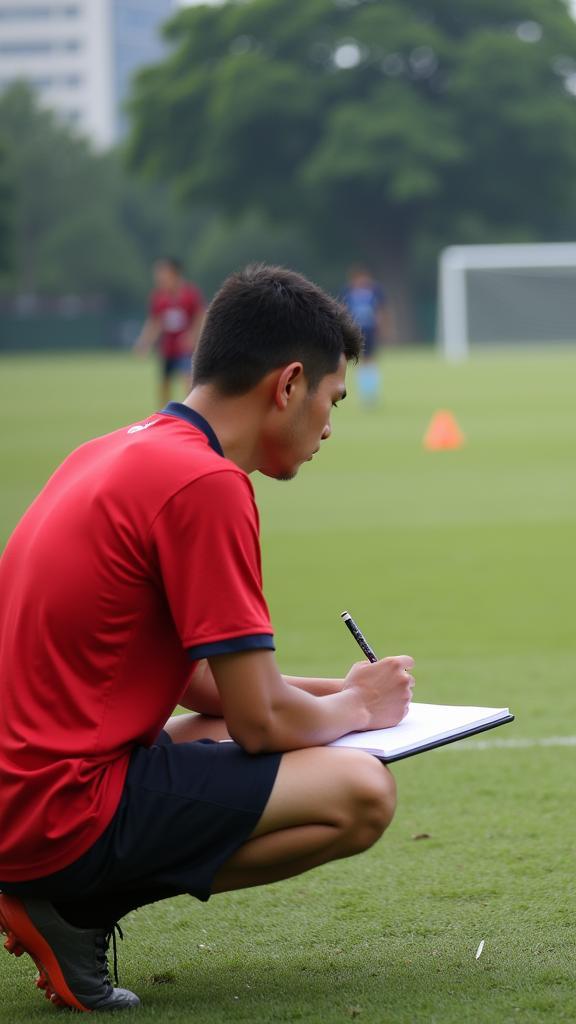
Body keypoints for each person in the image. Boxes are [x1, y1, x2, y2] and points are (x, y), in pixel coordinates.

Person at [0, 264, 416, 1011]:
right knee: (362, 794)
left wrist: (350, 694)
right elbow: (260, 723)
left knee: (228, 726)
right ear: (289, 384)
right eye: (332, 401)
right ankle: (71, 902)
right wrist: (357, 711)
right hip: (57, 811)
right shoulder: (208, 484)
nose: (328, 426)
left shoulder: (115, 449)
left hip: (24, 791)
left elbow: (203, 685)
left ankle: (59, 893)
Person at [133, 257, 205, 407]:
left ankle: (192, 414)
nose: (159, 278)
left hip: (185, 349)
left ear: (175, 274)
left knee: (188, 382)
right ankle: (163, 418)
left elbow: (200, 316)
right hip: (168, 349)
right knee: (164, 385)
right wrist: (144, 343)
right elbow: (155, 322)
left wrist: (192, 336)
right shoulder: (159, 297)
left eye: (163, 274)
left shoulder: (190, 294)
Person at [340, 266, 390, 405]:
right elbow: (344, 310)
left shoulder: (375, 291)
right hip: (356, 331)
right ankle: (364, 394)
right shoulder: (348, 291)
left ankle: (372, 393)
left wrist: (382, 328)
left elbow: (380, 310)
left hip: (370, 331)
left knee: (371, 361)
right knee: (360, 362)